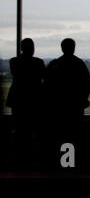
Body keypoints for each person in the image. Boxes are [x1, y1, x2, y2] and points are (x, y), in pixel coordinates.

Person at [6, 38, 45, 168]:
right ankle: (34, 159)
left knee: (19, 130)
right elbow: (44, 78)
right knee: (35, 130)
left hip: (18, 99)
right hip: (35, 99)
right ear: (32, 49)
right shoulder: (39, 62)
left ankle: (19, 159)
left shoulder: (14, 61)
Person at [45, 38, 90, 122]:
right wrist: (83, 98)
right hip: (76, 104)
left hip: (58, 104)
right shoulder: (79, 63)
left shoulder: (54, 64)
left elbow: (47, 85)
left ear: (62, 48)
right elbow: (87, 83)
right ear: (74, 48)